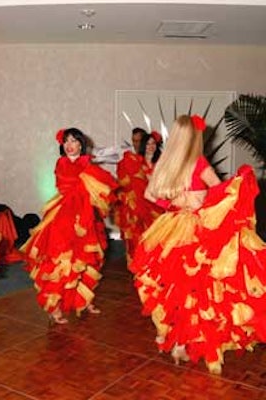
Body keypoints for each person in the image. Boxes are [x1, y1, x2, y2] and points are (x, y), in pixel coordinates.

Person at [129, 114, 266, 375]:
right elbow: (219, 191)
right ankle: (184, 341)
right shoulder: (198, 162)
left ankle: (172, 338)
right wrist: (240, 182)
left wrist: (172, 205)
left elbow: (148, 194)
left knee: (172, 288)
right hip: (196, 229)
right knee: (196, 289)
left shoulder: (165, 162)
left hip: (171, 228)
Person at [21, 127, 118, 324]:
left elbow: (103, 187)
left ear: (81, 144)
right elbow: (68, 184)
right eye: (66, 142)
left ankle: (83, 300)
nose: (69, 145)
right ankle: (54, 306)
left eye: (73, 141)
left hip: (84, 216)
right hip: (63, 215)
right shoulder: (62, 163)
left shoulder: (87, 163)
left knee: (85, 260)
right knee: (60, 260)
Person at [115, 131, 163, 263]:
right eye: (147, 144)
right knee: (137, 235)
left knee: (156, 236)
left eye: (153, 143)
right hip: (138, 206)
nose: (150, 146)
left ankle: (153, 263)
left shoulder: (162, 163)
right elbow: (125, 183)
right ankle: (138, 263)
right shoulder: (133, 161)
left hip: (157, 204)